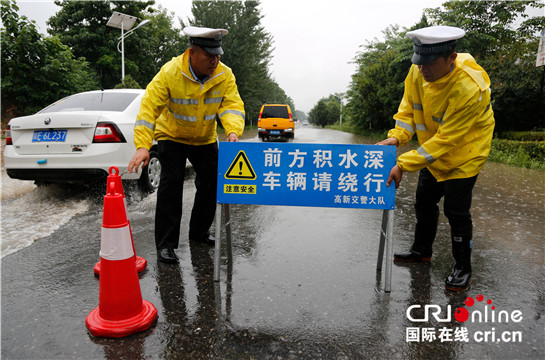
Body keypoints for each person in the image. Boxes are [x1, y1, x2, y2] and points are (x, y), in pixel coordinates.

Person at [377, 26, 495, 291]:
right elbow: (408, 111)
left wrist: (403, 164)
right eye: (419, 63)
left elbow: (448, 139)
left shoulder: (469, 87)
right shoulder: (418, 71)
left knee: (456, 210)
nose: (423, 70)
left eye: (429, 64)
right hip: (432, 150)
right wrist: (397, 137)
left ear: (451, 58)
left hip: (465, 153)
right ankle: (421, 251)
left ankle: (463, 268)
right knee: (424, 201)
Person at [128, 26, 245, 264]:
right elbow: (148, 109)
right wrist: (142, 146)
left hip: (204, 138)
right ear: (192, 52)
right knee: (171, 187)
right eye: (209, 56)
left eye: (218, 55)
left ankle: (199, 234)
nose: (215, 61)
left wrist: (233, 131)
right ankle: (166, 246)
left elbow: (231, 105)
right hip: (172, 136)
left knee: (212, 184)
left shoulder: (225, 75)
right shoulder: (170, 72)